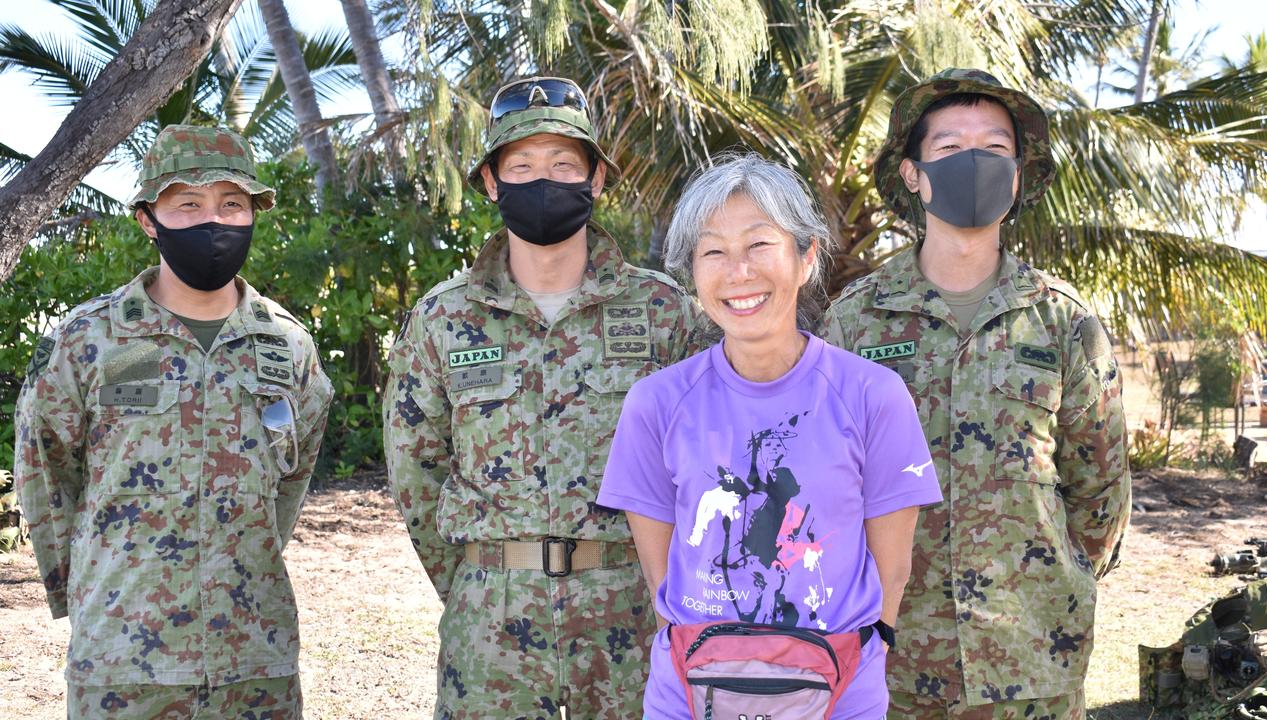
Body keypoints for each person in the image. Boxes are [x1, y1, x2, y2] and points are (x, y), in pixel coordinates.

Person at [382, 76, 698, 720]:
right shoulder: (444, 318)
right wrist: (476, 580)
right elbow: (416, 475)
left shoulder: (663, 310)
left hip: (631, 619)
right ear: (492, 184)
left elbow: (700, 461)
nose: (542, 180)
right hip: (491, 629)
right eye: (520, 166)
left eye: (563, 163)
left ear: (597, 179)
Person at [821, 68, 1132, 719]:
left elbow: (1099, 498)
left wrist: (1044, 584)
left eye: (994, 150)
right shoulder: (855, 322)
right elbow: (828, 489)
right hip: (897, 666)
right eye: (948, 149)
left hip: (1033, 662)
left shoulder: (1063, 321)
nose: (973, 163)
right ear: (912, 174)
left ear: (1018, 175)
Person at [596, 153, 943, 720]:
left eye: (759, 245)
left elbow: (893, 571)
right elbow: (662, 570)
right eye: (713, 252)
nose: (738, 272)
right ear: (692, 274)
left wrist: (849, 661)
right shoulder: (655, 404)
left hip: (839, 690)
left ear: (806, 257)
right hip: (690, 692)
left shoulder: (872, 396)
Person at [14, 124, 334, 719]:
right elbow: (44, 468)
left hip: (255, 658)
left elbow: (290, 478)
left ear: (253, 214)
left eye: (232, 203)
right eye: (188, 203)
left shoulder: (288, 345)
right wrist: (86, 590)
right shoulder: (86, 339)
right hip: (124, 658)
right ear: (147, 219)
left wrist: (239, 553)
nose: (213, 220)